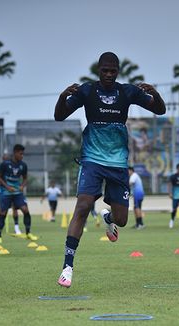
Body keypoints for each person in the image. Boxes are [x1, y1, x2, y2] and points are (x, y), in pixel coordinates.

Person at [54, 52, 166, 288]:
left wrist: (155, 94)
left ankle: (109, 218)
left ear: (117, 71)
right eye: (104, 70)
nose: (108, 75)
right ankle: (67, 267)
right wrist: (63, 96)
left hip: (117, 163)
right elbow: (59, 116)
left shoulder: (127, 92)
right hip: (92, 159)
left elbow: (160, 111)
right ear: (98, 70)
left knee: (122, 220)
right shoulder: (86, 91)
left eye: (112, 71)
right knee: (83, 206)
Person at [0, 144, 37, 243]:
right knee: (3, 212)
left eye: (23, 154)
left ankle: (28, 233)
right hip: (5, 192)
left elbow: (25, 178)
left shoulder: (23, 165)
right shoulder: (5, 164)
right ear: (15, 153)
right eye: (21, 154)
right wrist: (7, 187)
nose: (22, 156)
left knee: (25, 210)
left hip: (17, 192)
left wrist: (22, 186)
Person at [0, 154, 20, 234]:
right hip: (2, 191)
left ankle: (16, 227)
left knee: (15, 207)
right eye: (4, 159)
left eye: (7, 160)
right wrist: (1, 183)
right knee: (2, 209)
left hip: (13, 190)